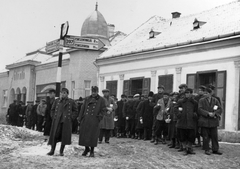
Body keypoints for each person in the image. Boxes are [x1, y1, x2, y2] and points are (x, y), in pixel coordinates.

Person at [47, 88, 78, 156]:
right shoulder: (57, 101)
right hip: (57, 122)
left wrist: (71, 118)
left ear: (67, 94)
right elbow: (52, 110)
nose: (62, 94)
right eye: (61, 93)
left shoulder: (71, 102)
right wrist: (54, 117)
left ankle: (61, 151)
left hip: (66, 122)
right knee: (55, 135)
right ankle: (52, 150)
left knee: (64, 136)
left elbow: (75, 111)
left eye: (64, 93)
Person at [78, 86, 106, 157]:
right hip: (86, 119)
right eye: (92, 91)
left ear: (97, 92)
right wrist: (80, 118)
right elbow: (83, 108)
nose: (93, 93)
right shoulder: (87, 98)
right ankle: (86, 148)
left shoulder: (101, 100)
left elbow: (103, 110)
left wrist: (99, 118)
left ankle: (92, 151)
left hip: (94, 120)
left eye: (95, 91)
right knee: (84, 135)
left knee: (93, 136)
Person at [198, 88, 222, 155]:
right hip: (205, 121)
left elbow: (219, 109)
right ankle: (206, 149)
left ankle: (215, 149)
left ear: (211, 93)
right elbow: (200, 109)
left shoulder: (215, 100)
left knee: (214, 136)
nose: (206, 94)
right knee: (205, 136)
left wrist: (214, 113)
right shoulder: (201, 100)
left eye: (207, 93)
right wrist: (208, 113)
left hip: (213, 121)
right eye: (205, 93)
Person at [175, 88, 198, 155]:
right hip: (182, 121)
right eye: (186, 93)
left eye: (188, 93)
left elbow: (197, 110)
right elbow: (175, 108)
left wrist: (195, 114)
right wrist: (179, 114)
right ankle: (185, 148)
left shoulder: (194, 102)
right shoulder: (181, 101)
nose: (187, 94)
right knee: (182, 136)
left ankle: (189, 148)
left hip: (191, 122)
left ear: (191, 94)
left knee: (191, 136)